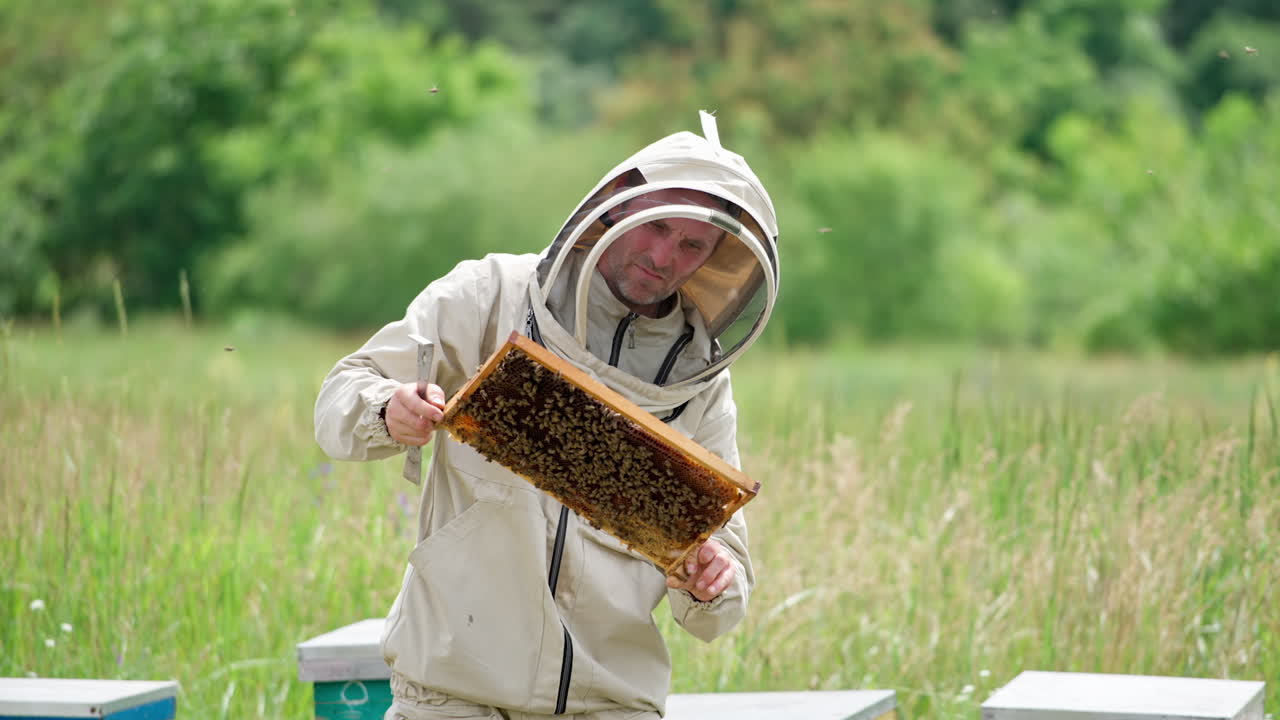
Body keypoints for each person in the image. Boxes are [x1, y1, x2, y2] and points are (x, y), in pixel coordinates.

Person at [315, 111, 780, 720]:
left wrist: (712, 580)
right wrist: (387, 409)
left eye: (691, 244)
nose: (664, 255)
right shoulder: (488, 296)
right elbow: (340, 398)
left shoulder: (699, 382)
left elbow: (725, 586)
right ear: (615, 206)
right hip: (451, 692)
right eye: (657, 226)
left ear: (715, 257)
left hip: (608, 703)